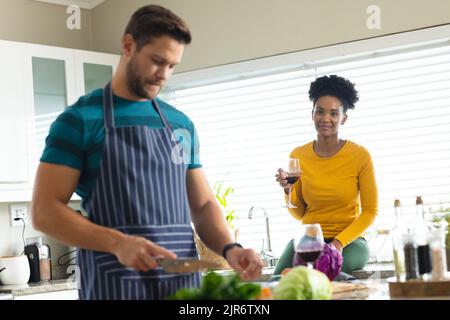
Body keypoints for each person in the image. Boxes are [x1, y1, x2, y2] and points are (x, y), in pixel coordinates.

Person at [31, 5, 263, 300]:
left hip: (181, 289)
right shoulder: (80, 121)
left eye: (172, 66)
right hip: (113, 286)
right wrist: (117, 243)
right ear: (128, 46)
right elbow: (44, 211)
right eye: (157, 61)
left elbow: (203, 205)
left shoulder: (181, 125)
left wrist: (232, 249)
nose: (163, 75)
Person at [274, 75, 378, 275]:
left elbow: (370, 211)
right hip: (310, 239)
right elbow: (300, 214)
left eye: (333, 113)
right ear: (312, 114)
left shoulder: (360, 156)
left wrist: (338, 243)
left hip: (351, 243)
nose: (325, 119)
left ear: (343, 118)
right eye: (320, 111)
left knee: (326, 274)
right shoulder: (298, 155)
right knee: (279, 279)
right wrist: (288, 189)